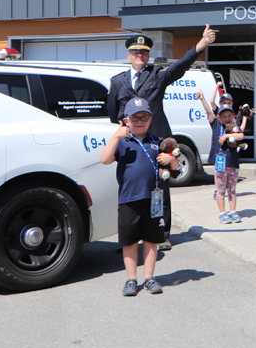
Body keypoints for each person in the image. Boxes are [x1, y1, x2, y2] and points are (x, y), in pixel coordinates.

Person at [107, 25, 216, 250]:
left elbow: (179, 67)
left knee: (160, 188)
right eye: (137, 53)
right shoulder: (117, 81)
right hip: (130, 143)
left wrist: (201, 44)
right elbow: (113, 113)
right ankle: (129, 236)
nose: (140, 56)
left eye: (144, 53)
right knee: (129, 187)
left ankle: (161, 233)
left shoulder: (157, 75)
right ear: (129, 55)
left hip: (156, 141)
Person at [100, 98, 179, 296]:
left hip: (153, 200)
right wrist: (115, 136)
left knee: (152, 240)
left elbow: (176, 169)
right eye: (134, 118)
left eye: (143, 117)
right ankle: (131, 279)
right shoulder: (122, 142)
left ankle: (150, 277)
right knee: (130, 241)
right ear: (126, 120)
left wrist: (173, 159)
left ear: (150, 119)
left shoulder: (157, 142)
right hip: (128, 199)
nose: (139, 121)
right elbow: (104, 159)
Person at [197, 90, 244, 223]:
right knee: (221, 189)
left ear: (233, 116)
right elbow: (209, 112)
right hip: (221, 162)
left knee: (232, 188)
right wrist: (202, 99)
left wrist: (226, 136)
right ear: (219, 117)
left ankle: (233, 211)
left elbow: (241, 136)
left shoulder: (234, 127)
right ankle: (222, 213)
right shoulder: (216, 124)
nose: (227, 118)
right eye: (224, 116)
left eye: (229, 115)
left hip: (233, 162)